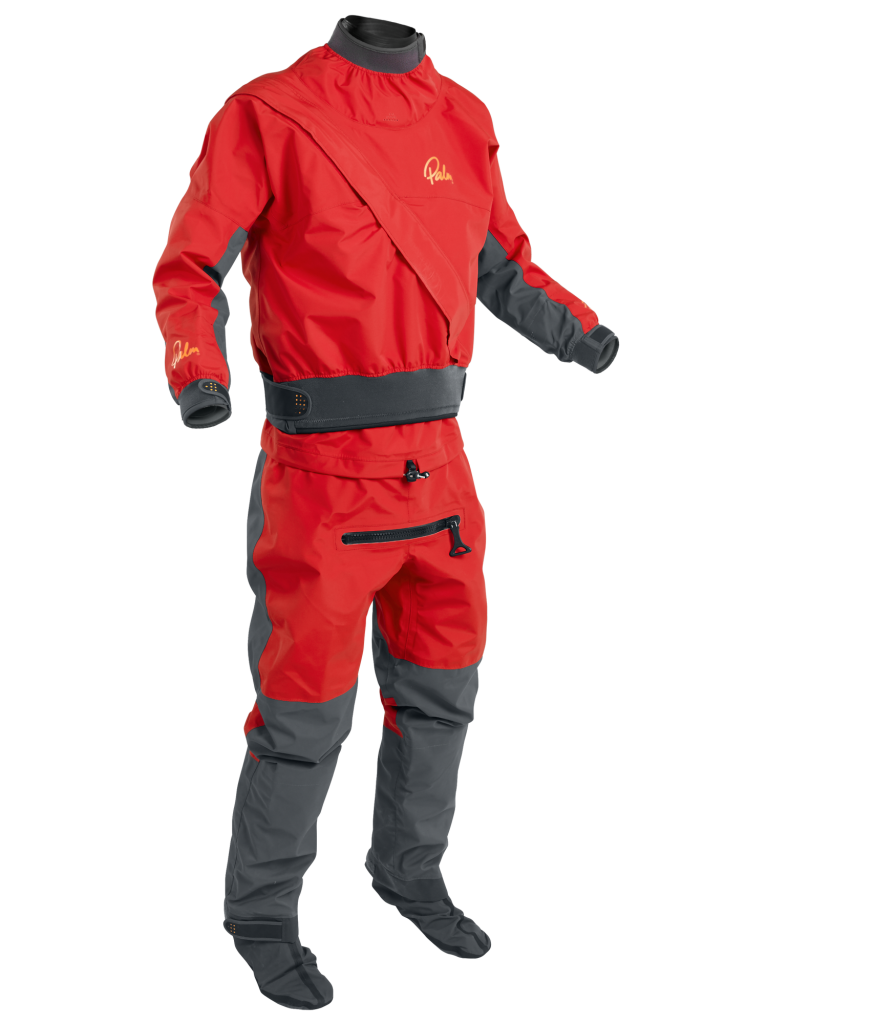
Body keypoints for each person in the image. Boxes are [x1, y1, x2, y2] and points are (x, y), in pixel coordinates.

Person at [153, 14, 619, 1011]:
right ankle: (261, 915)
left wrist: (580, 331)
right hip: (322, 477)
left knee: (443, 695)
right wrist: (200, 373)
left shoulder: (463, 114)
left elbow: (500, 263)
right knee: (303, 717)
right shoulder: (266, 112)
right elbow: (190, 266)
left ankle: (409, 872)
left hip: (442, 470)